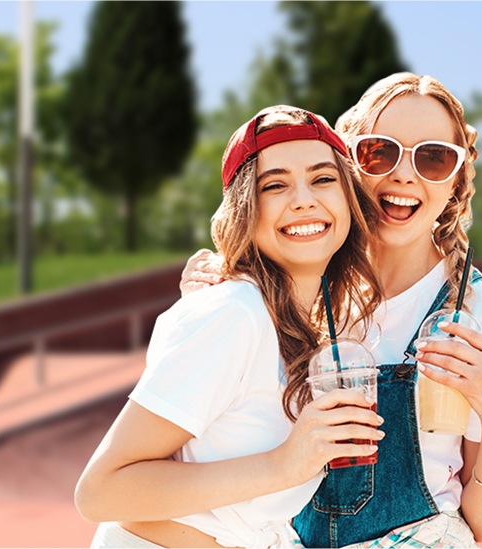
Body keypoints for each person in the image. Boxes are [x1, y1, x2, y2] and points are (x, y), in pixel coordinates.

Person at [180, 73, 482, 548]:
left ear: (455, 183)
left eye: (434, 158)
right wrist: (209, 297)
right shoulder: (292, 283)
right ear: (347, 165)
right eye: (379, 152)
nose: (405, 175)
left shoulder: (480, 312)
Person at [75, 105, 387, 549]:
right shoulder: (235, 313)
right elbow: (100, 491)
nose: (303, 199)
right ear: (245, 209)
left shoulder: (306, 325)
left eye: (323, 179)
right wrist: (285, 464)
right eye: (274, 185)